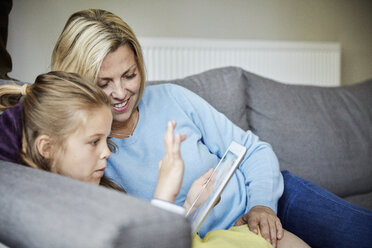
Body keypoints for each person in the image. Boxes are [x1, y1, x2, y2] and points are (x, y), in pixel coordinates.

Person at [1, 9, 371, 248]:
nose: (120, 93)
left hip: (274, 199)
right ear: (78, 80)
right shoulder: (84, 156)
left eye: (130, 75)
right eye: (103, 82)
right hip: (223, 239)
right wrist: (193, 206)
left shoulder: (173, 99)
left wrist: (262, 204)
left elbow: (253, 149)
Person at [0, 71, 309, 248]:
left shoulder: (83, 188)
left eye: (105, 140)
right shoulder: (46, 212)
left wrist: (192, 205)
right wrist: (165, 193)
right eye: (94, 142)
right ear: (46, 148)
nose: (107, 151)